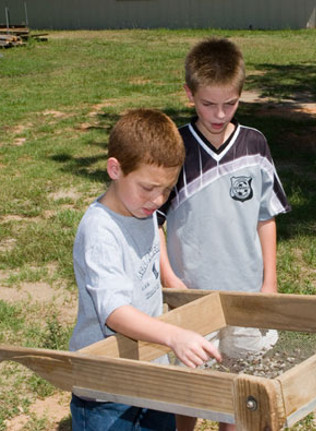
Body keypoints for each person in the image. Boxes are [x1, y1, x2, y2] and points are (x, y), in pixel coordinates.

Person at [157, 37, 291, 431]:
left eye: (229, 104)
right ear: (189, 94)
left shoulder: (255, 144)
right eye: (207, 104)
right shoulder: (174, 149)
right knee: (191, 393)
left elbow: (266, 217)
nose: (218, 114)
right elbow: (153, 222)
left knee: (240, 394)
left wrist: (269, 281)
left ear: (240, 95)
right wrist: (172, 281)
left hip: (247, 295)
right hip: (192, 297)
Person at [69, 108, 222, 431]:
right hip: (108, 386)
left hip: (151, 371)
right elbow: (114, 313)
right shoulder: (101, 231)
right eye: (148, 188)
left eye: (166, 189)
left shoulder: (141, 208)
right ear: (115, 169)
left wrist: (168, 276)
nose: (157, 200)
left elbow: (155, 233)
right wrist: (173, 335)